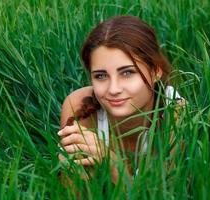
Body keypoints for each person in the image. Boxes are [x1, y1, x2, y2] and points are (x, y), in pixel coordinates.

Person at [57, 15, 184, 184]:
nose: (114, 89)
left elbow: (168, 193)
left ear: (155, 72)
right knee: (73, 158)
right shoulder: (78, 105)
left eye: (127, 73)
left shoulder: (175, 111)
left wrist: (110, 162)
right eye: (101, 76)